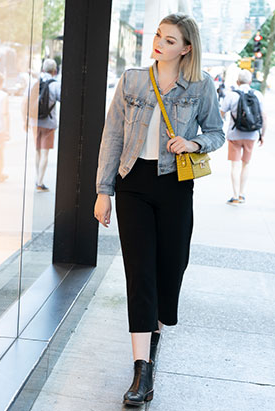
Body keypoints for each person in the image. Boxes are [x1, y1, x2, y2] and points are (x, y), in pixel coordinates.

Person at [94, 13, 224, 406]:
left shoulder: (200, 87)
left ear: (186, 48)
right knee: (140, 274)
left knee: (170, 270)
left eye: (170, 40)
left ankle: (154, 333)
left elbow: (217, 132)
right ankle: (141, 371)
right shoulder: (133, 79)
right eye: (158, 36)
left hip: (175, 188)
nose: (159, 44)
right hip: (133, 183)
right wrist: (104, 191)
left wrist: (193, 143)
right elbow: (112, 135)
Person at [220, 69, 266, 205]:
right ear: (250, 82)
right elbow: (263, 116)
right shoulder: (258, 95)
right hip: (251, 135)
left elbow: (221, 113)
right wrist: (262, 134)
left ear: (237, 81)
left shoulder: (231, 95)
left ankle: (234, 196)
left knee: (235, 166)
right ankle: (241, 194)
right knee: (246, 165)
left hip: (235, 135)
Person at [32, 59, 61, 192]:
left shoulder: (36, 81)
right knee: (44, 153)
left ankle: (37, 178)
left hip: (35, 122)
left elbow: (26, 100)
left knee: (37, 151)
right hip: (49, 123)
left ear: (43, 69)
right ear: (54, 71)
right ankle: (40, 181)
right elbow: (62, 98)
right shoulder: (55, 84)